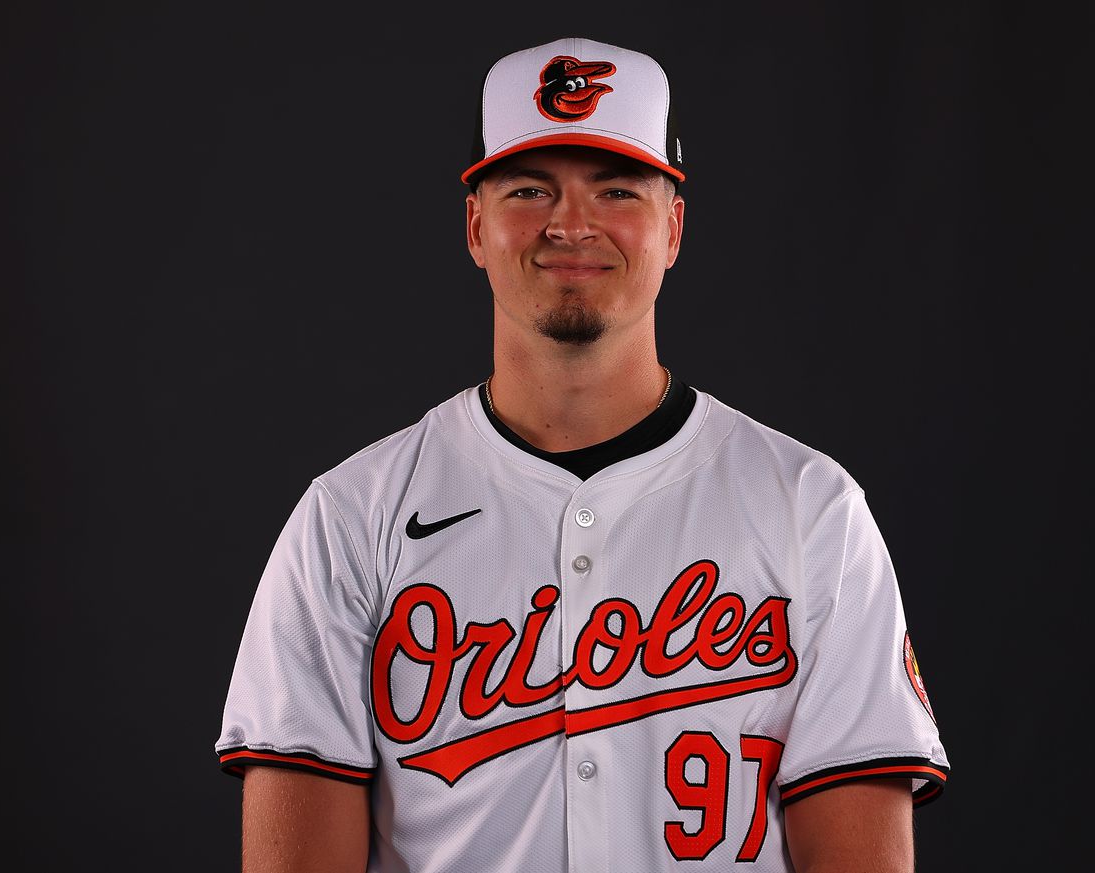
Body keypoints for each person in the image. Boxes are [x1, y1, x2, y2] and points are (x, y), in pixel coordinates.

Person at [214, 36, 949, 873]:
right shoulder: (348, 520)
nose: (572, 223)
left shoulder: (813, 510)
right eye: (530, 188)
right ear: (475, 226)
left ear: (673, 227)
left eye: (617, 188)